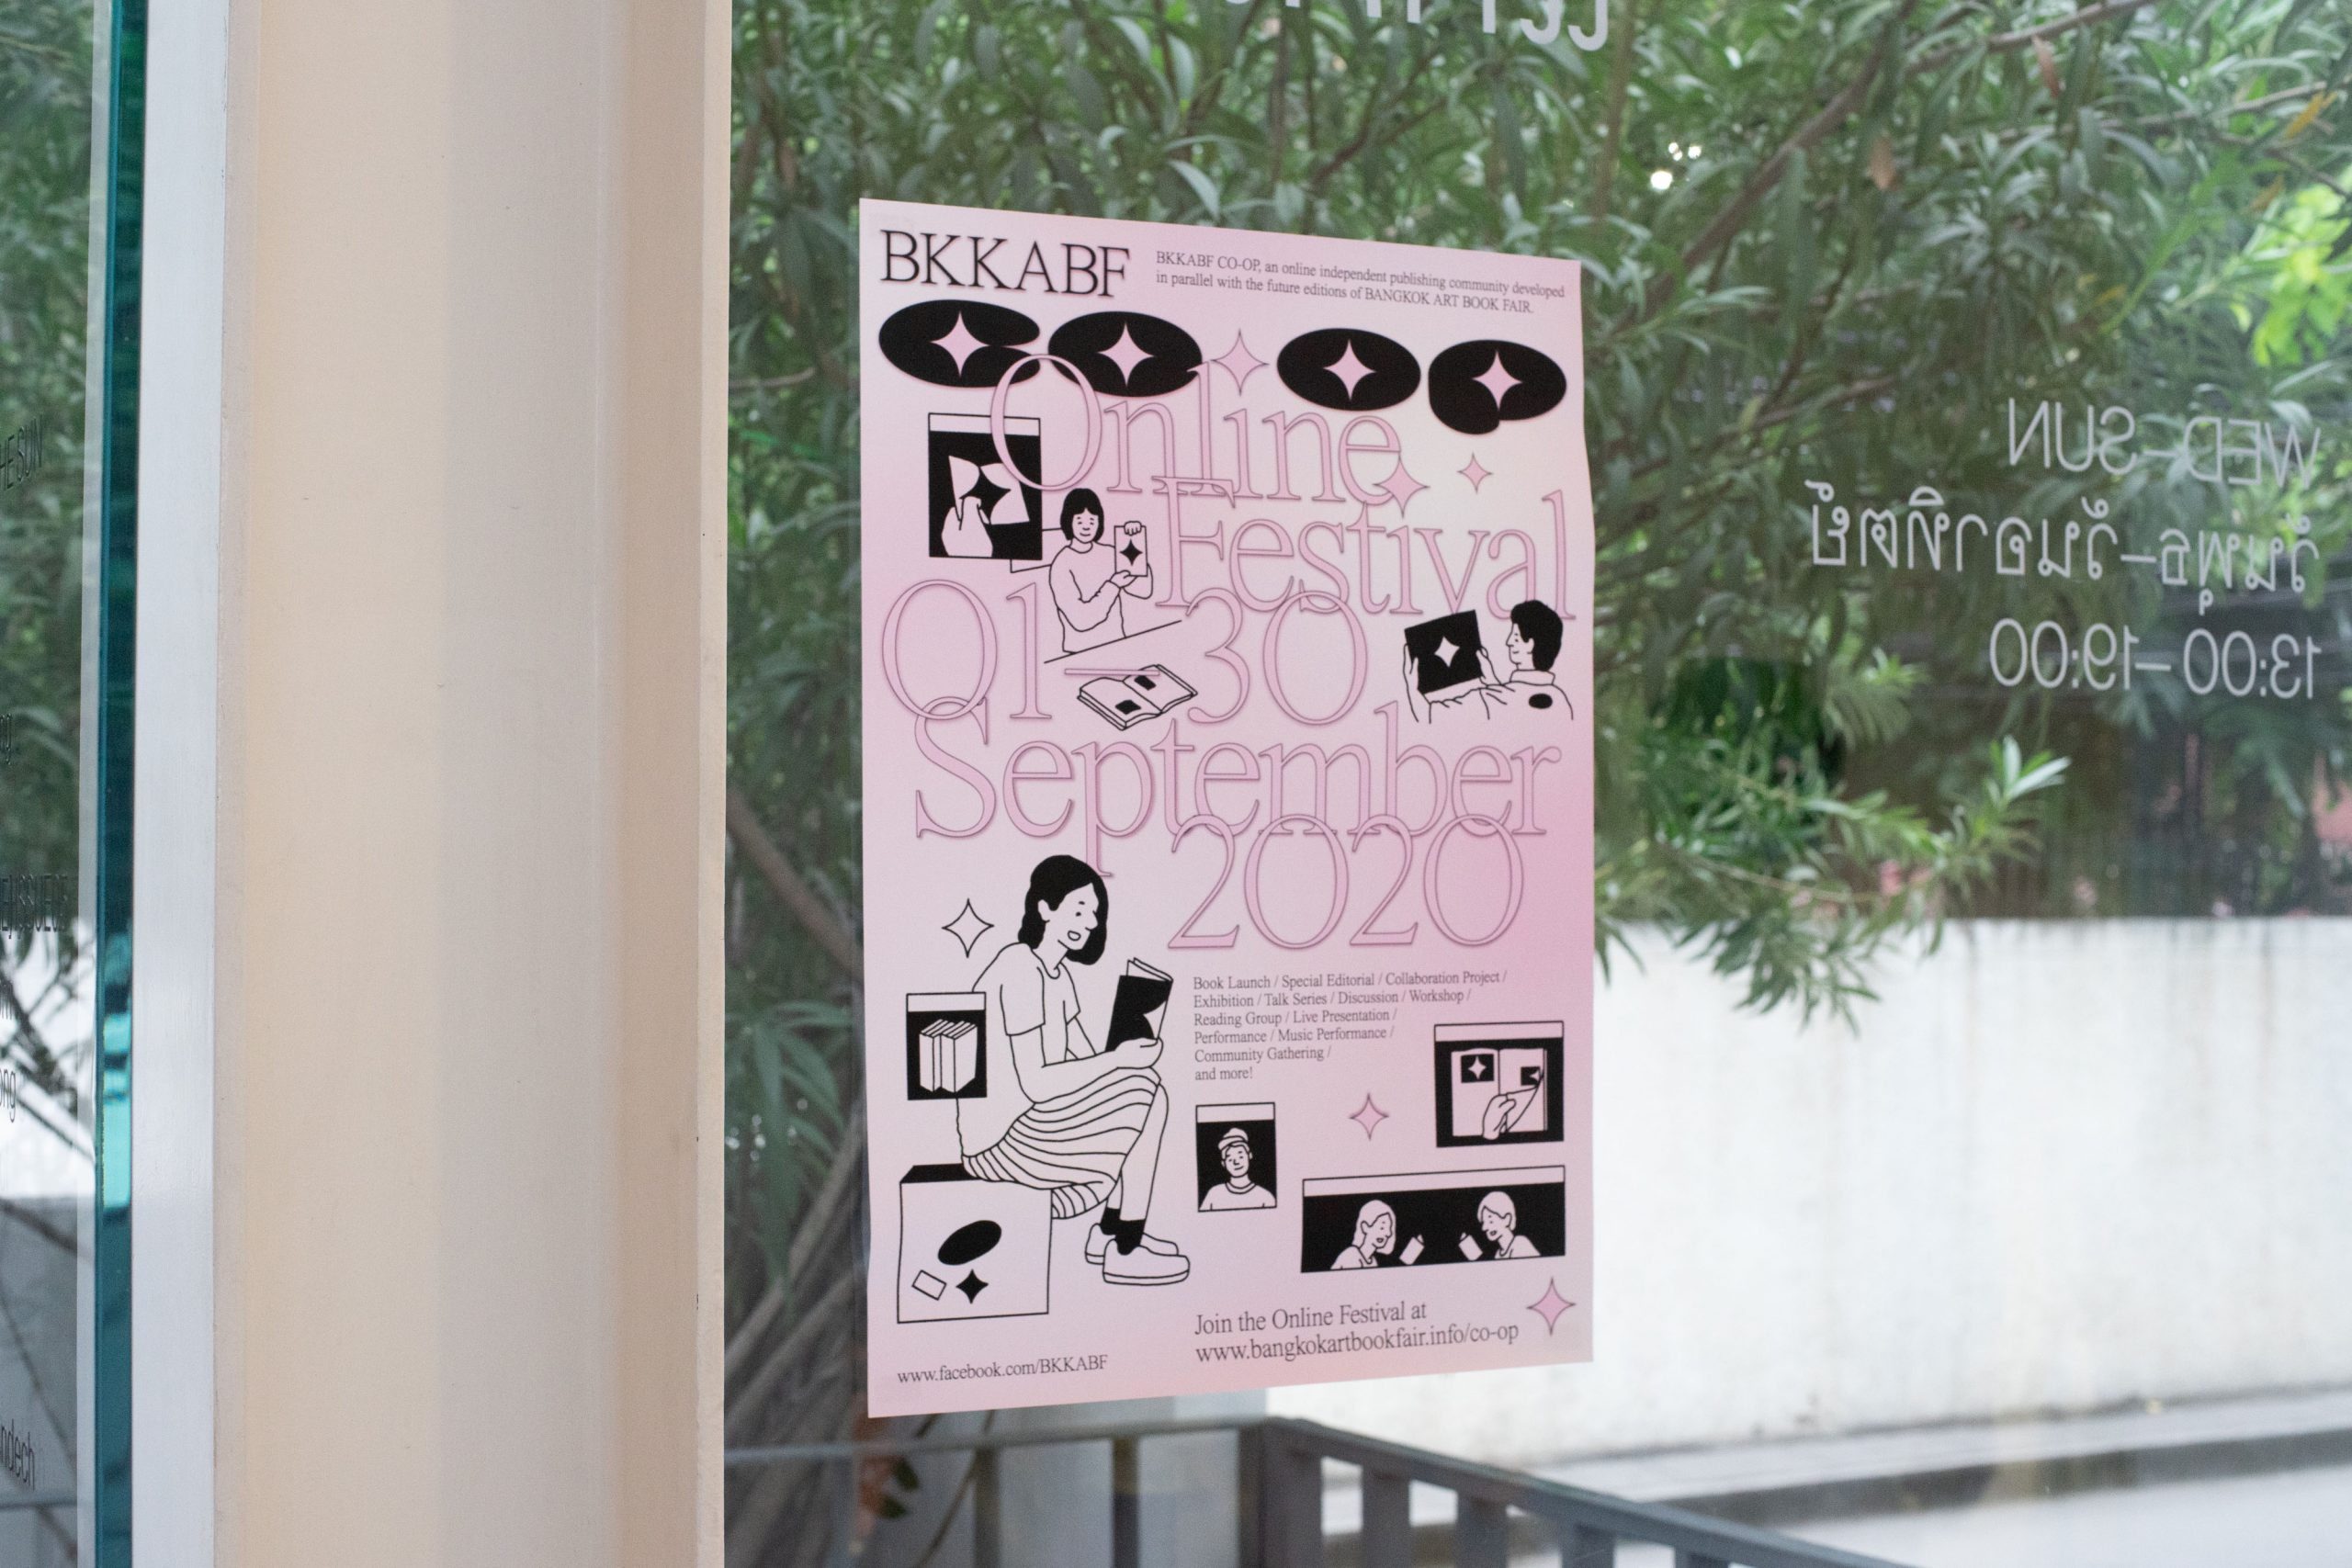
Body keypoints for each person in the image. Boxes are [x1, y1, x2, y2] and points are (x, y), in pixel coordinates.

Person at [959, 854, 1188, 1285]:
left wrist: (1128, 1051)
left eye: (1095, 913)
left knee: (1144, 1089)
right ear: (1045, 908)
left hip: (1032, 1126)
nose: (1090, 922)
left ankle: (1113, 1233)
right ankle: (1125, 1245)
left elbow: (1084, 1062)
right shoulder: (1019, 968)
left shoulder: (1059, 976)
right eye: (1079, 909)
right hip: (998, 1144)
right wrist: (1119, 1063)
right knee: (1146, 1092)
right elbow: (1037, 1083)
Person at [1047, 488, 1152, 653]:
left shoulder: (1110, 552)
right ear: (1068, 521)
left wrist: (1135, 540)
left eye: (1092, 521)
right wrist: (1113, 585)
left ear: (1099, 522)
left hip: (1116, 644)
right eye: (1080, 521)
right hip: (1081, 652)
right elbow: (1081, 620)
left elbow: (1143, 590)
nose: (1086, 527)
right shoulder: (1061, 564)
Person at [1200, 1127, 1275, 1211]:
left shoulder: (1265, 1197)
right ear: (1223, 1163)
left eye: (1240, 1156)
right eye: (1230, 1159)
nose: (1236, 1162)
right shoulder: (1214, 1194)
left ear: (1249, 1155)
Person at [1331, 1200, 1397, 1269]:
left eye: (1389, 1228)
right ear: (1365, 1227)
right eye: (1382, 1228)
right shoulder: (1352, 1255)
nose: (1388, 1233)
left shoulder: (1373, 1261)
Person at [1475, 1191, 1541, 1259]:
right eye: (1483, 1222)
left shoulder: (1520, 1244)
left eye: (1491, 1221)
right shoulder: (1498, 1254)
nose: (1484, 1228)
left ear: (1507, 1219)